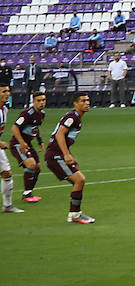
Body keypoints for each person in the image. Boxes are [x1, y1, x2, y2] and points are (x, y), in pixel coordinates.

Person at [45, 92, 94, 223]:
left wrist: (70, 155)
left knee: (78, 181)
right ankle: (74, 214)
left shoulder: (76, 117)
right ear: (76, 103)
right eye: (83, 101)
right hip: (55, 155)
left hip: (57, 154)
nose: (87, 103)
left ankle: (74, 213)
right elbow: (59, 134)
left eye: (88, 100)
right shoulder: (72, 117)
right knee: (80, 180)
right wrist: (66, 154)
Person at [8, 91, 46, 203]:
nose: (41, 103)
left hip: (27, 143)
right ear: (33, 102)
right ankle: (27, 194)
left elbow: (35, 128)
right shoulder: (27, 114)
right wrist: (21, 142)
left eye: (43, 100)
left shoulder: (42, 114)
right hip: (17, 144)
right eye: (39, 100)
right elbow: (15, 127)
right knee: (31, 165)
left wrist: (39, 141)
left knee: (38, 168)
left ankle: (29, 192)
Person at [0, 86, 21, 212]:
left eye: (8, 91)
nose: (7, 94)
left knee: (6, 173)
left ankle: (7, 205)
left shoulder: (5, 110)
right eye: (4, 91)